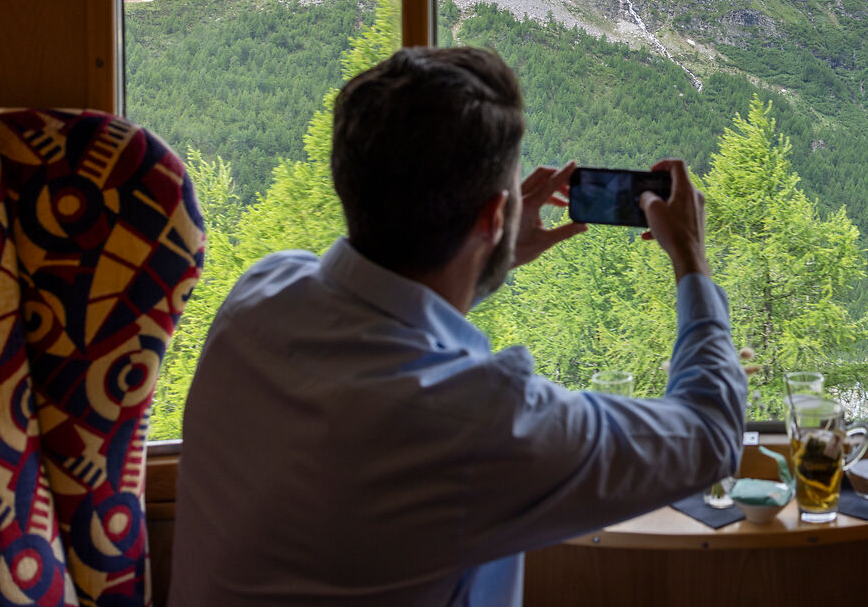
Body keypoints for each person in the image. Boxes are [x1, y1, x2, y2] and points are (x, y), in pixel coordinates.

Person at [168, 46, 748, 607]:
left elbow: (388, 314)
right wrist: (691, 259)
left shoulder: (260, 293)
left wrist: (481, 253)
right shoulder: (472, 423)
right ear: (494, 216)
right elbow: (712, 435)